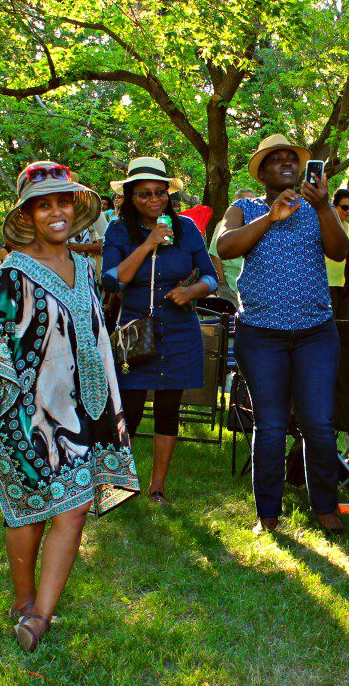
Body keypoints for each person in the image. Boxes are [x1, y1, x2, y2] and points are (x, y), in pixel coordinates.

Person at [0, 160, 139, 653]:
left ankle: (40, 617)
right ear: (27, 215)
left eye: (63, 201)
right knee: (28, 514)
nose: (55, 212)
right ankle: (23, 600)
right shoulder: (13, 270)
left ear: (76, 207)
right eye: (42, 204)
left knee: (73, 511)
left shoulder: (85, 268)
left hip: (83, 414)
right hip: (26, 413)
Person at [216, 134, 349, 535]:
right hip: (261, 334)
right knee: (270, 425)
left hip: (315, 332)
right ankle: (267, 515)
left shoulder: (318, 207)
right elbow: (225, 247)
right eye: (277, 159)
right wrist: (269, 217)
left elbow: (340, 251)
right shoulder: (244, 208)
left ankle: (325, 505)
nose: (288, 163)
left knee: (320, 424)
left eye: (293, 158)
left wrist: (324, 204)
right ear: (262, 171)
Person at [102, 157, 218, 505]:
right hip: (137, 329)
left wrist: (191, 291)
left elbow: (211, 276)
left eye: (160, 192)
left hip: (181, 329)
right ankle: (118, 486)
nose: (154, 199)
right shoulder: (118, 231)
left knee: (169, 410)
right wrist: (149, 243)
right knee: (131, 409)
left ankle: (157, 489)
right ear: (130, 197)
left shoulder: (187, 229)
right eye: (144, 194)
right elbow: (111, 279)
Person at [207, 188, 253, 305]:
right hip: (230, 283)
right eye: (246, 202)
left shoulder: (254, 226)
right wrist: (222, 282)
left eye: (253, 202)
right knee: (231, 320)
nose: (250, 206)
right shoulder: (224, 226)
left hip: (248, 285)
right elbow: (214, 254)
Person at [327, 188, 349, 318]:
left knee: (344, 323)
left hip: (345, 284)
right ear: (334, 205)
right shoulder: (325, 224)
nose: (348, 211)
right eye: (344, 207)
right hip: (326, 283)